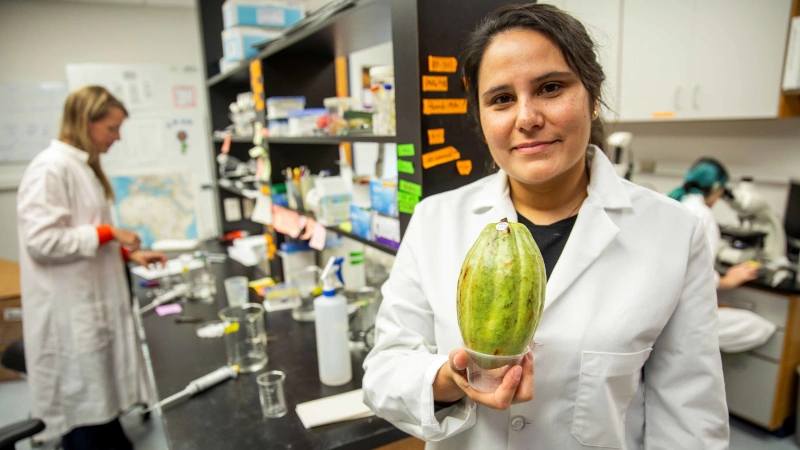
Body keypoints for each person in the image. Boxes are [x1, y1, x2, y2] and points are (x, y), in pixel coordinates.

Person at [362, 4, 728, 449]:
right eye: (501, 99)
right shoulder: (435, 220)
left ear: (593, 97)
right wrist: (450, 378)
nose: (526, 117)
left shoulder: (674, 232)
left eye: (550, 88)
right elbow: (383, 374)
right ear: (480, 115)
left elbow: (690, 418)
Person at [17, 85, 167, 449]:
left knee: (102, 404)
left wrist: (127, 255)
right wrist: (107, 231)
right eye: (111, 129)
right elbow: (43, 242)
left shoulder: (81, 167)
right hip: (71, 317)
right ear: (86, 122)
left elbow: (78, 241)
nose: (116, 139)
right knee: (84, 410)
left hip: (91, 307)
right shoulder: (50, 169)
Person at [669, 158, 776, 352]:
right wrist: (727, 281)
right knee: (763, 327)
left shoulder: (671, 202)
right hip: (679, 317)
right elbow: (699, 277)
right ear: (718, 188)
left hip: (665, 307)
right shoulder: (702, 215)